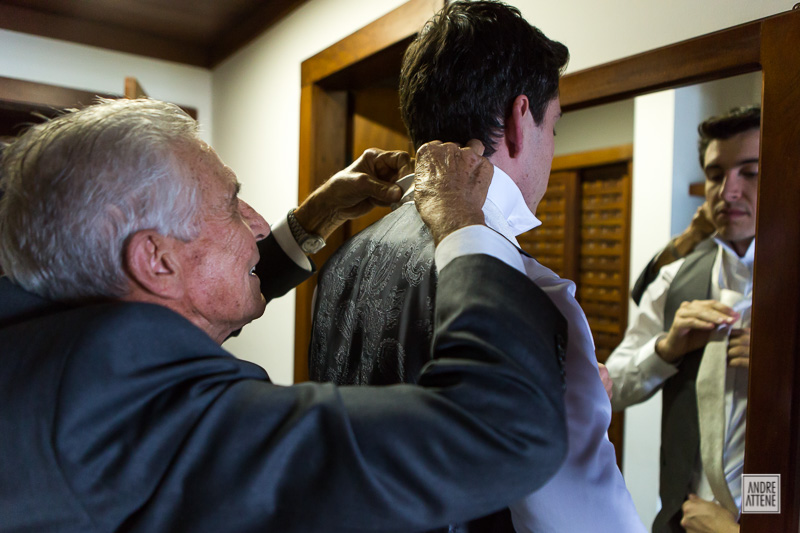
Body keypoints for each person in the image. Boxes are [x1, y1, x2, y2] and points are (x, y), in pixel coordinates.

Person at [0, 98, 572, 532]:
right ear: (156, 258)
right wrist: (463, 225)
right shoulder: (141, 411)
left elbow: (180, 305)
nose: (256, 222)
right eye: (231, 203)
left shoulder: (46, 325)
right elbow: (500, 432)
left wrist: (312, 220)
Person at [309, 2, 644, 532]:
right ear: (519, 120)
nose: (552, 150)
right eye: (554, 128)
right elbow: (583, 521)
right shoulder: (525, 293)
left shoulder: (340, 264)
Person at [606, 105, 760, 533]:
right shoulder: (674, 279)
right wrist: (665, 350)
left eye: (750, 173)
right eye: (716, 174)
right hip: (684, 515)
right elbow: (610, 387)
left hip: (775, 511)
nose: (728, 192)